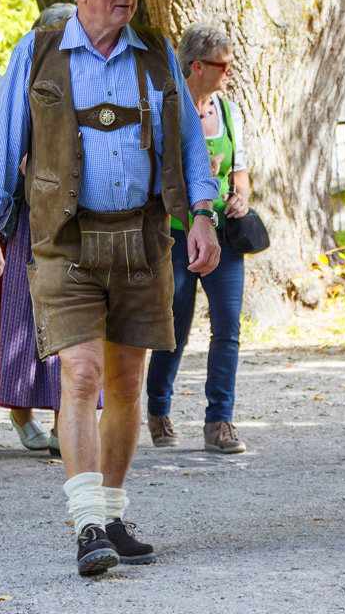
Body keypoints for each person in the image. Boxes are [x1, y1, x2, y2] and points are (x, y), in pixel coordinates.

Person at [0, 0, 220, 576]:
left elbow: (191, 144)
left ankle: (111, 513)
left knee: (127, 382)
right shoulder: (38, 51)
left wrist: (204, 217)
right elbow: (2, 152)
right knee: (80, 376)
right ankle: (86, 526)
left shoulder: (158, 53)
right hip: (65, 241)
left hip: (143, 241)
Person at [0, 2, 81, 455]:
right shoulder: (11, 81)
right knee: (21, 316)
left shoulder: (88, 77)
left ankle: (67, 423)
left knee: (74, 317)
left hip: (77, 217)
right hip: (27, 216)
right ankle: (22, 412)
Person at [146, 23, 251, 454]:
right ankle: (157, 407)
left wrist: (241, 197)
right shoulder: (164, 109)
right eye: (222, 65)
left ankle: (219, 421)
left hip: (223, 236)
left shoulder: (227, 112)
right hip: (175, 236)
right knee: (174, 327)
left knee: (228, 328)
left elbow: (240, 171)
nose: (229, 72)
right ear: (196, 66)